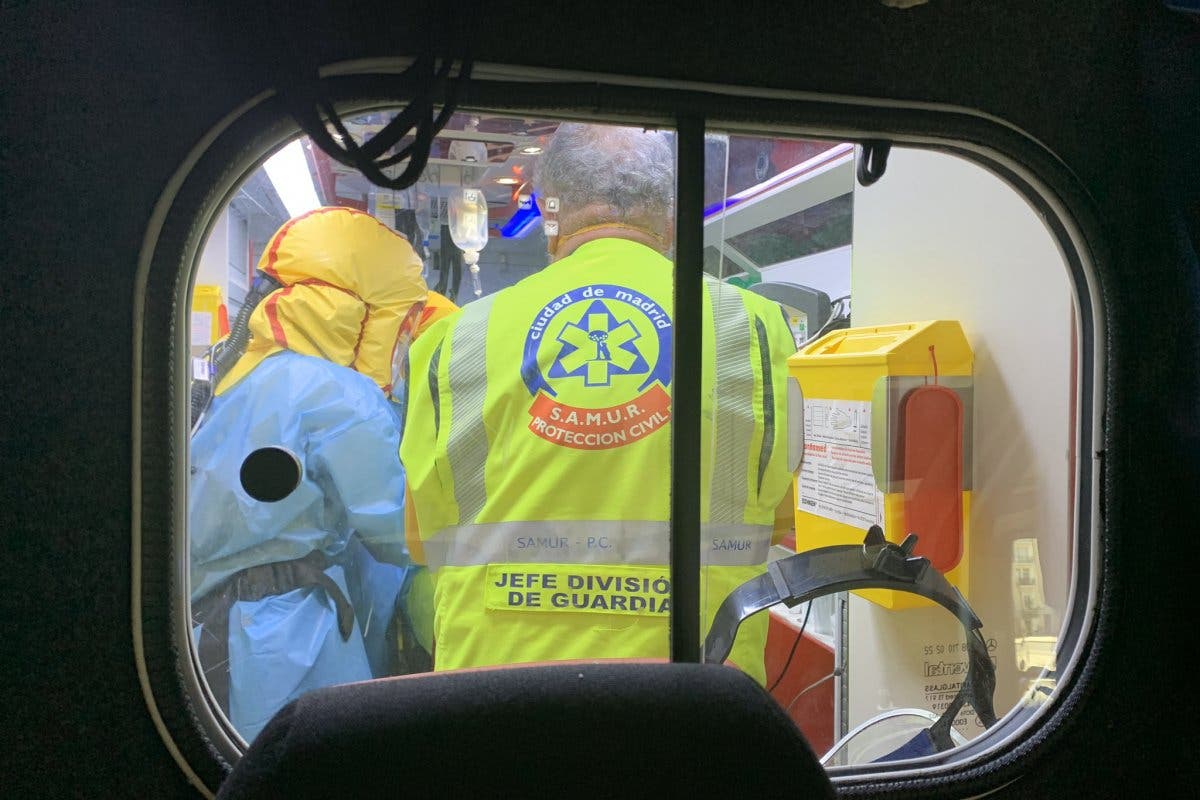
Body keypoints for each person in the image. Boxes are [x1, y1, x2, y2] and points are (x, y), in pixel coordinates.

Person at [400, 124, 798, 684]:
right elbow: (784, 518)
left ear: (548, 213)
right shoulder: (754, 329)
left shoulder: (454, 341)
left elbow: (423, 542)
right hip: (699, 702)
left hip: (493, 701)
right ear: (671, 216)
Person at [189, 206, 453, 742]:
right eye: (400, 324)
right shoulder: (335, 392)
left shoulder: (233, 374)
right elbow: (398, 531)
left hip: (209, 631)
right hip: (291, 641)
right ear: (365, 316)